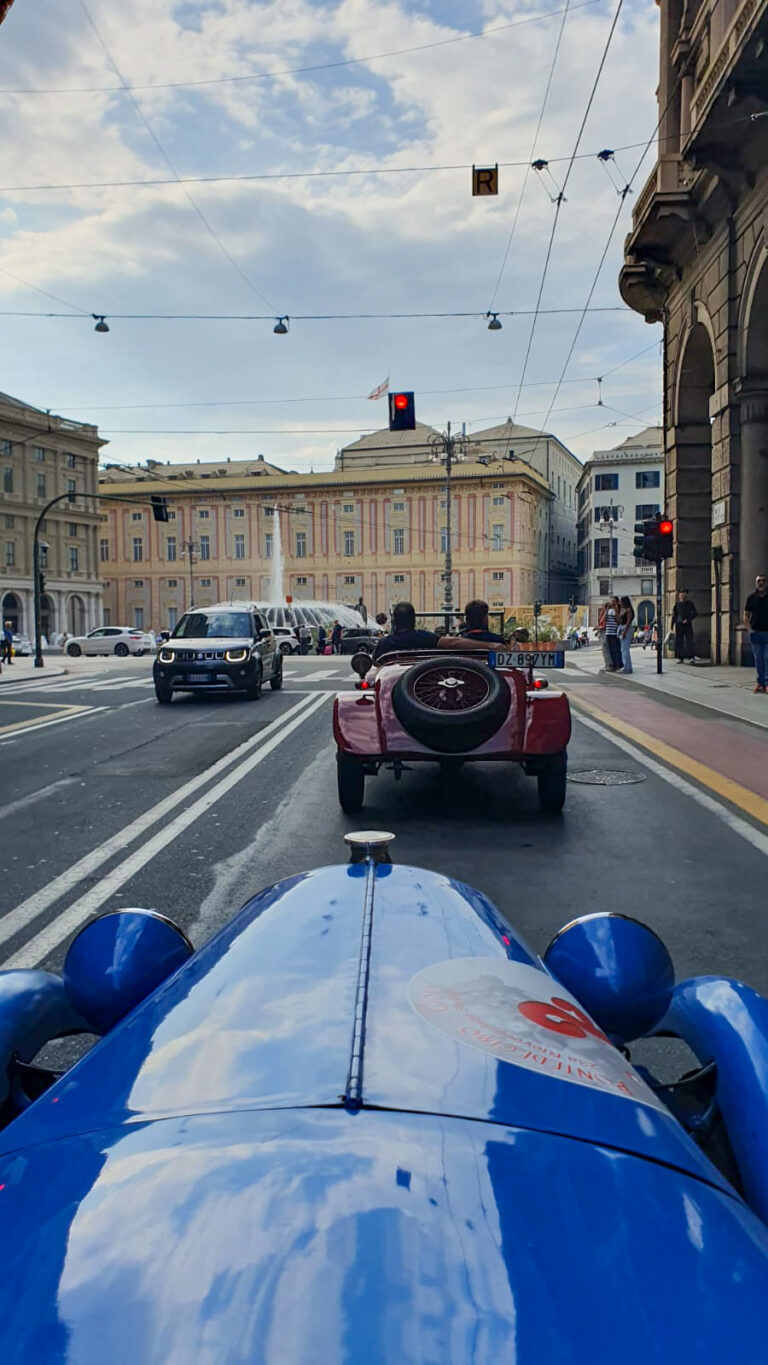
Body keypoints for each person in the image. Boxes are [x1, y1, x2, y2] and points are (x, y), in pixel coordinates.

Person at [372, 601, 439, 662]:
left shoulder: (384, 643)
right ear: (413, 620)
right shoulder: (426, 637)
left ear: (395, 621)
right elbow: (446, 643)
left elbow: (375, 662)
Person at [744, 572, 768, 694]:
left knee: (767, 658)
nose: (761, 583)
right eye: (759, 581)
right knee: (758, 659)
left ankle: (767, 683)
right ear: (756, 583)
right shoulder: (751, 598)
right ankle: (760, 683)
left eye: (763, 580)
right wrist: (750, 631)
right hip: (756, 632)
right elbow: (746, 616)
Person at [671, 590, 697, 663]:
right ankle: (680, 657)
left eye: (683, 595)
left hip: (687, 624)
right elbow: (674, 615)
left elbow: (694, 613)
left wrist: (688, 619)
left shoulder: (690, 604)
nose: (681, 596)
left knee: (689, 640)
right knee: (679, 641)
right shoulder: (677, 604)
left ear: (686, 596)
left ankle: (691, 656)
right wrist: (672, 625)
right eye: (680, 595)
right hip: (678, 624)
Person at [599, 598, 621, 671]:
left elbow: (617, 619)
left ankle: (617, 665)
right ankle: (613, 664)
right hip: (608, 631)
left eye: (613, 601)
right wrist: (606, 609)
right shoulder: (608, 611)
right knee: (611, 649)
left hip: (613, 632)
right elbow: (603, 619)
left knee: (614, 649)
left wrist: (614, 608)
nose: (611, 603)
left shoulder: (614, 610)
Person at [617, 596, 635, 674]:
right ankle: (627, 666)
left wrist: (625, 631)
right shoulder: (623, 610)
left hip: (626, 628)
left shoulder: (628, 610)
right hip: (622, 627)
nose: (620, 603)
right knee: (623, 649)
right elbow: (619, 620)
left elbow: (628, 621)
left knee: (625, 649)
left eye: (621, 601)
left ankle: (627, 667)